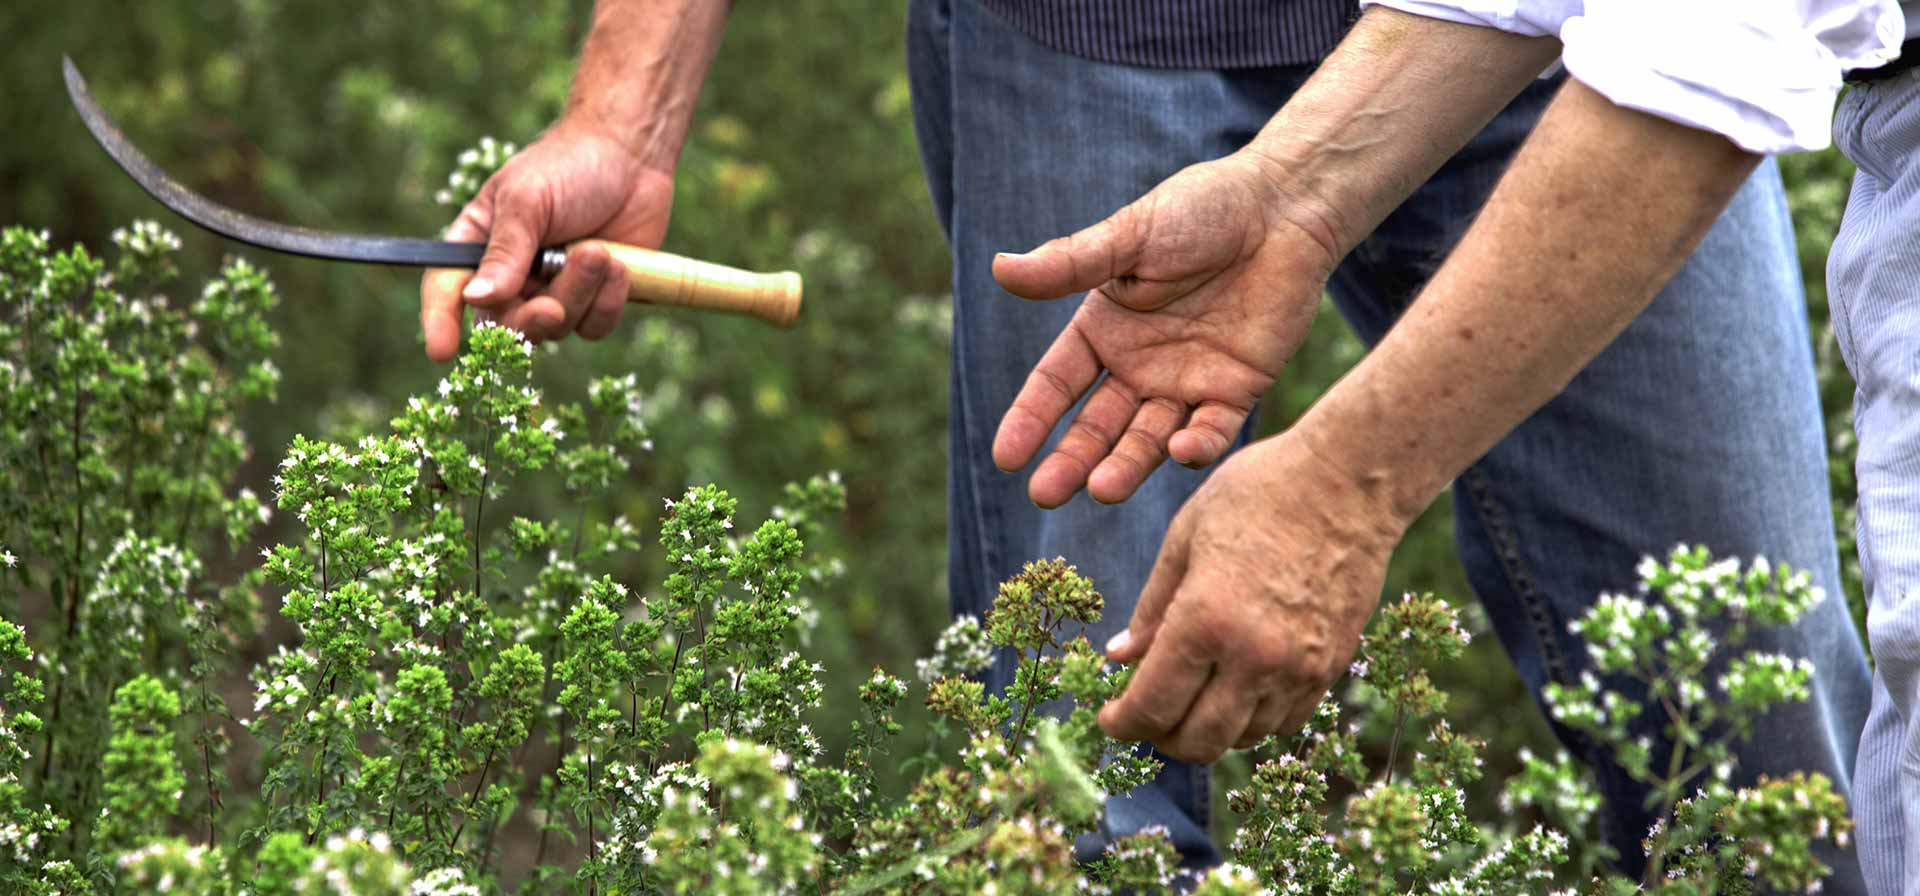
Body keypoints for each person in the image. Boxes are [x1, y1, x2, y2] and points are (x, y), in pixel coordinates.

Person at [415, 0, 1874, 886]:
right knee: (1088, 783)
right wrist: (630, 112)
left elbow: (1709, 42)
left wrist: (1347, 483)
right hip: (1094, 38)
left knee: (1758, 727)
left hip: (1598, 45)